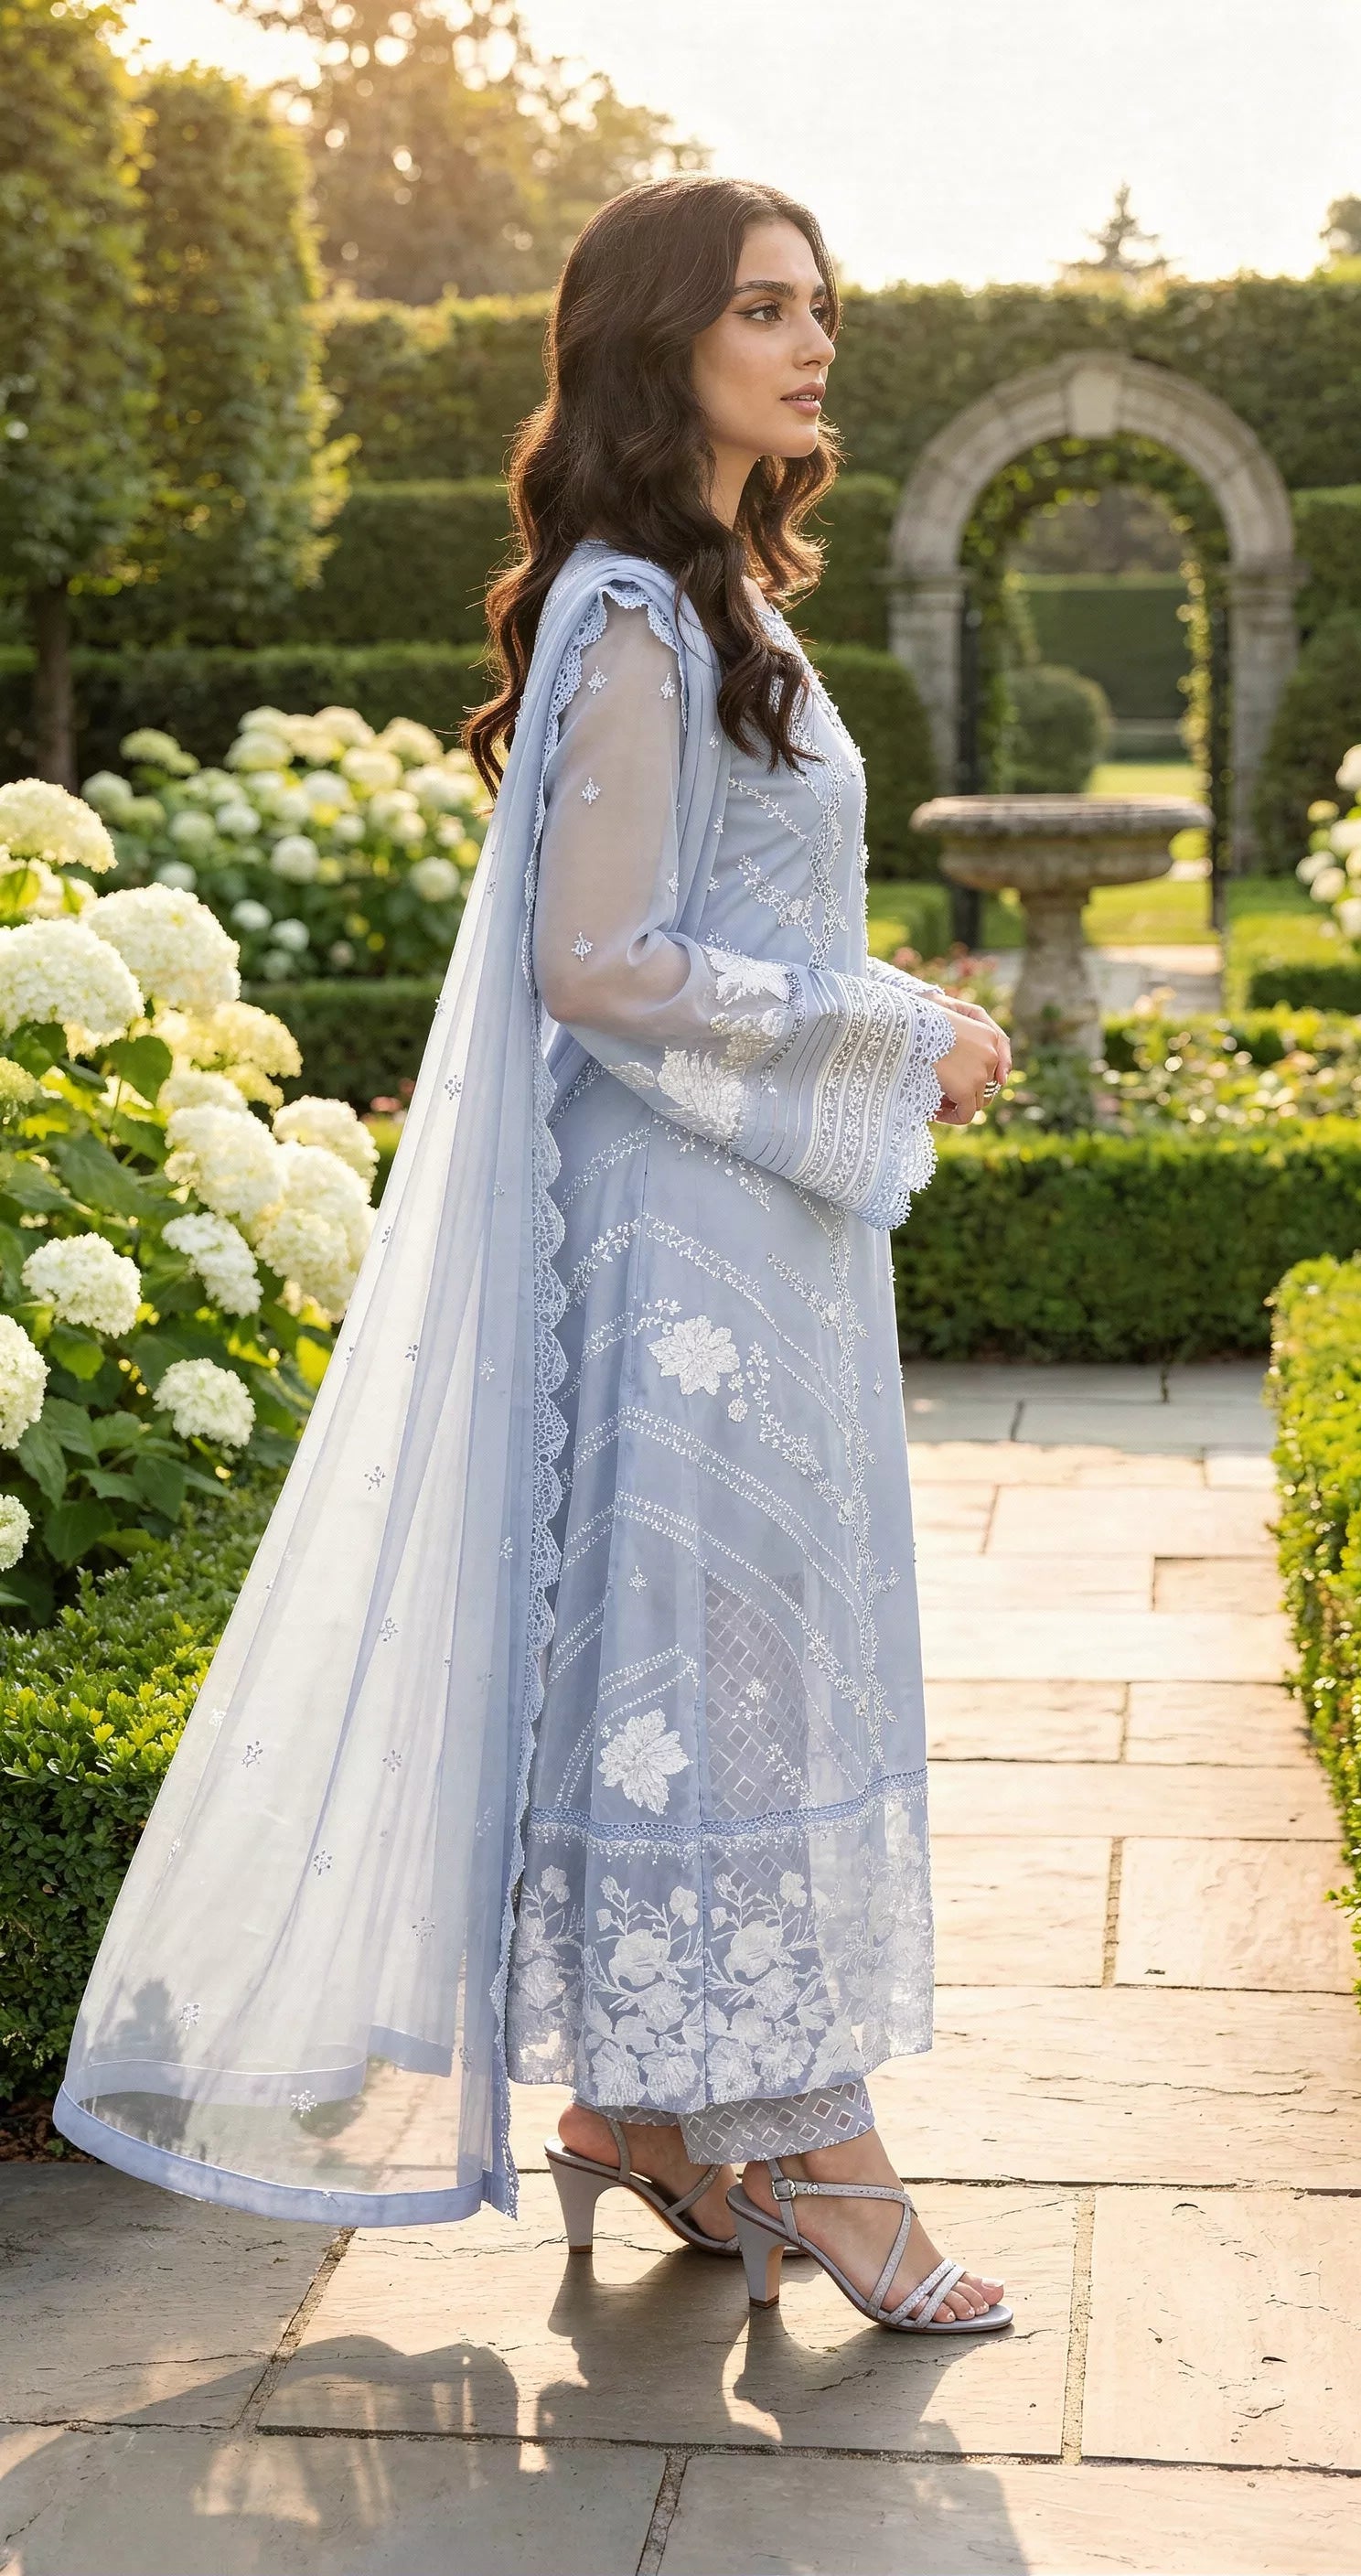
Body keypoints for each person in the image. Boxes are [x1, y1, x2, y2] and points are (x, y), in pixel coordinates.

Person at [56, 176, 1010, 2337]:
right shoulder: (637, 616)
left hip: (759, 1234)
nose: (814, 342)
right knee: (732, 1681)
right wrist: (896, 1027)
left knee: (730, 1667)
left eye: (822, 306)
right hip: (684, 1257)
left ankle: (649, 2114)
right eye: (763, 307)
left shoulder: (713, 602)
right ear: (661, 340)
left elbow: (722, 924)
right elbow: (601, 964)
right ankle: (818, 2151)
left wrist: (893, 1013)